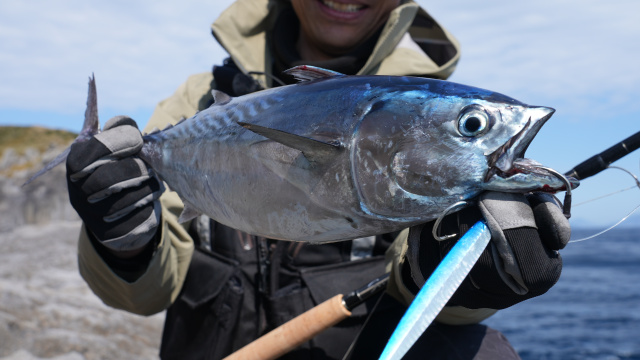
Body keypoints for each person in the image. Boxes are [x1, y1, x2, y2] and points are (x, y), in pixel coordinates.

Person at [66, 0, 571, 359]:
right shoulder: (202, 98)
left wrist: (463, 274)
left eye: (472, 127)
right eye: (474, 127)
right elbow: (147, 292)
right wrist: (123, 241)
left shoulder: (428, 108)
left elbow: (412, 277)